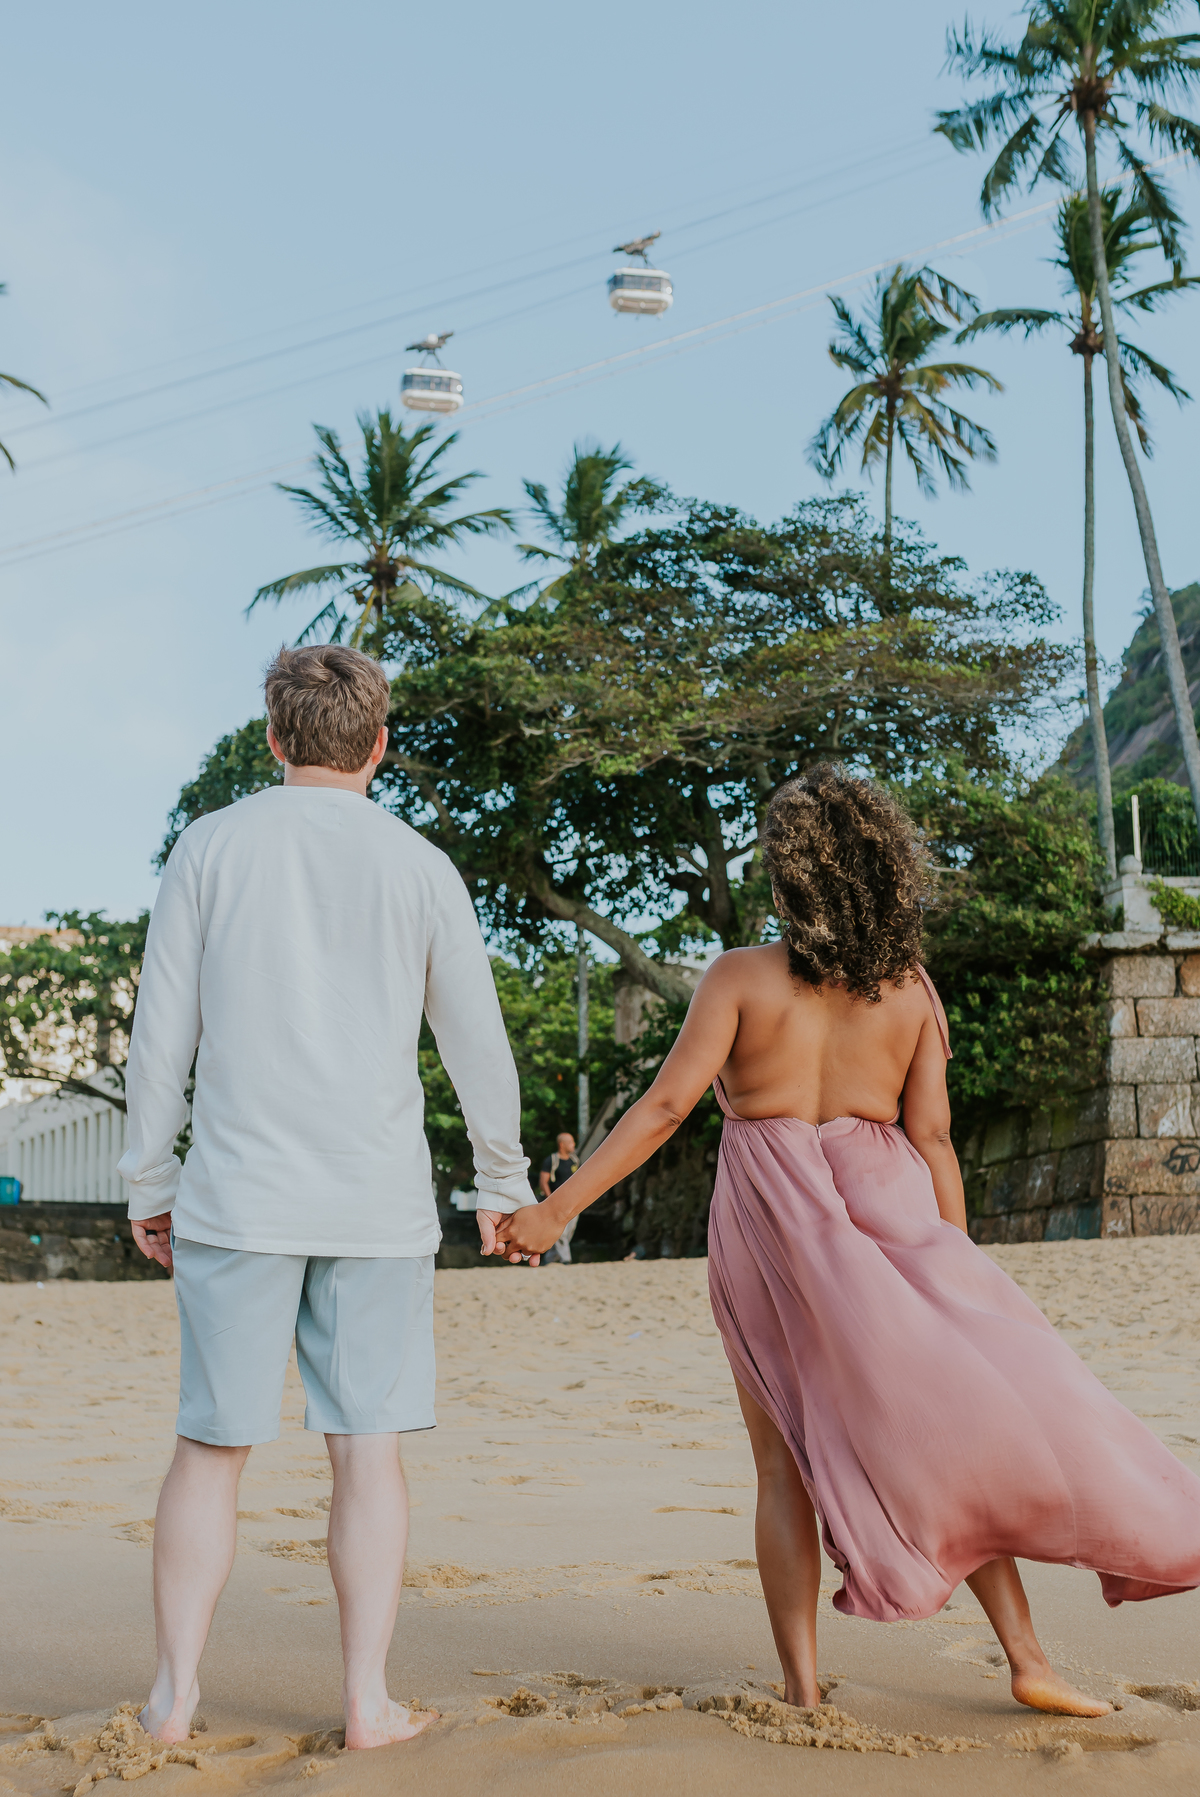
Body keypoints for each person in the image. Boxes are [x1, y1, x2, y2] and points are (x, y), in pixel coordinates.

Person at [491, 763, 1200, 1718]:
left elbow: (665, 1106)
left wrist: (556, 1207)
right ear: (884, 872)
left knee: (781, 1461)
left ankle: (804, 1688)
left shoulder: (740, 977)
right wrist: (957, 1274)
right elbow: (934, 1139)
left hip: (772, 1237)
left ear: (788, 877)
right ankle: (1027, 1657)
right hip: (896, 1232)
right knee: (958, 1445)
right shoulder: (909, 993)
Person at [121, 644, 536, 1751]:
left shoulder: (208, 849)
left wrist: (148, 1180)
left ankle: (172, 1700)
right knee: (367, 1451)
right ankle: (366, 1703)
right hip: (374, 1207)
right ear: (379, 745)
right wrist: (502, 1185)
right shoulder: (420, 866)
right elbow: (476, 1047)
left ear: (274, 736)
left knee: (211, 1449)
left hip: (234, 1202)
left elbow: (159, 1041)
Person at [537, 1130, 579, 1262]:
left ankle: (548, 1260)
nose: (574, 1144)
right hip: (558, 1203)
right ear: (562, 1145)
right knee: (561, 1233)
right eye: (571, 1142)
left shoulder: (575, 1161)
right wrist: (550, 1200)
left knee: (569, 1233)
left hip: (574, 1202)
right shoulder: (551, 1160)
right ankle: (566, 1260)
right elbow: (543, 1181)